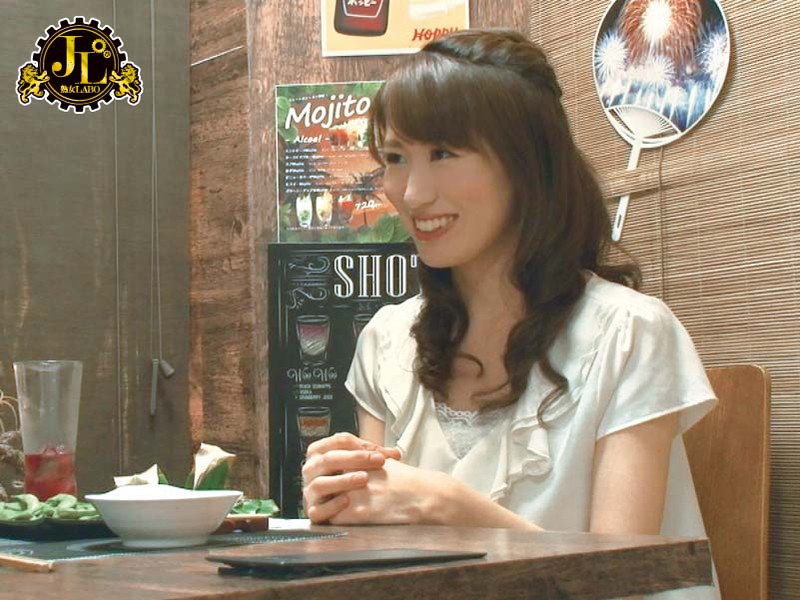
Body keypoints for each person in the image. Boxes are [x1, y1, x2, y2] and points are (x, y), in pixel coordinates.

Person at [301, 29, 718, 599]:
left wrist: (448, 505)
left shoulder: (629, 333)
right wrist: (341, 496)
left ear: (526, 163)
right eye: (396, 158)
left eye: (443, 153)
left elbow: (620, 580)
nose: (413, 193)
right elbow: (378, 569)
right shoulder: (387, 340)